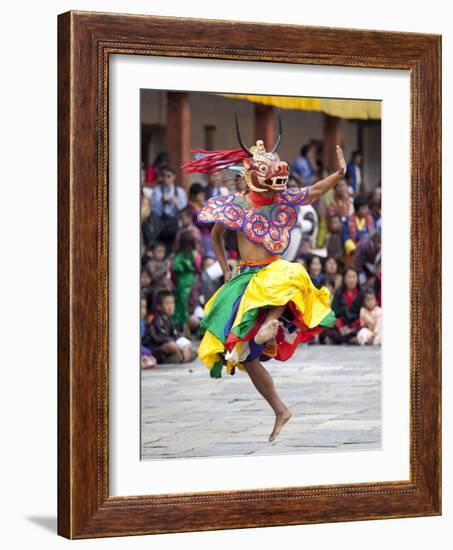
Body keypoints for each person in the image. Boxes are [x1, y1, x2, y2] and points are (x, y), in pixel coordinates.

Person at [181, 112, 346, 442]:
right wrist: (227, 268)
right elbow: (215, 236)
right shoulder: (237, 206)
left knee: (290, 275)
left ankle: (269, 328)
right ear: (251, 175)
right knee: (244, 358)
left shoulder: (281, 197)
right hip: (246, 277)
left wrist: (339, 174)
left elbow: (313, 191)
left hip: (272, 271)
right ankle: (280, 409)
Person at [143, 290, 197, 364]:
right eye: (167, 304)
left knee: (189, 346)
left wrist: (185, 346)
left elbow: (176, 335)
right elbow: (159, 338)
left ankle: (181, 357)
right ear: (159, 306)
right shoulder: (155, 319)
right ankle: (177, 358)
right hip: (155, 349)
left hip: (171, 347)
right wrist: (177, 346)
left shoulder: (168, 320)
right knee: (171, 345)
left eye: (172, 303)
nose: (170, 306)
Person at [320, 268, 363, 345]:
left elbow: (363, 314)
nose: (351, 280)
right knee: (326, 330)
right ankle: (350, 340)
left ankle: (342, 339)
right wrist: (340, 326)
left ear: (357, 278)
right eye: (349, 277)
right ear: (344, 279)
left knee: (363, 330)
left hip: (356, 325)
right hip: (341, 325)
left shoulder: (361, 293)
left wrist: (352, 328)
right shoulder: (338, 292)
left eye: (354, 277)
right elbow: (334, 312)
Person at [150, 167, 187, 252]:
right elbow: (154, 210)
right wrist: (162, 203)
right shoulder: (157, 191)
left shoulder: (180, 191)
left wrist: (176, 203)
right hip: (160, 225)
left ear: (174, 177)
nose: (165, 178)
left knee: (174, 249)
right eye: (163, 175)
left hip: (174, 225)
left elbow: (184, 211)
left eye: (168, 176)